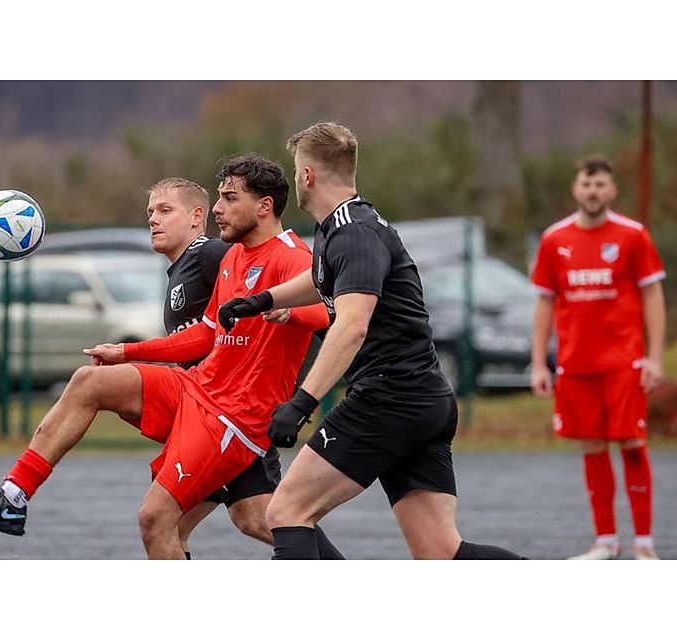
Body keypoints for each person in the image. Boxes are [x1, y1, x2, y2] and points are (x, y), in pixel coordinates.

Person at [0, 154, 335, 559]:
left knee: (180, 519)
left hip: (233, 418)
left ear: (263, 206)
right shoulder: (233, 256)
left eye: (228, 199)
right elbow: (206, 335)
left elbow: (333, 309)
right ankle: (12, 496)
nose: (219, 208)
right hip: (198, 392)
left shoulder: (280, 256)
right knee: (89, 382)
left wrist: (288, 309)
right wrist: (126, 351)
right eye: (218, 198)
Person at [219, 121, 525, 560]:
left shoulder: (353, 232)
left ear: (307, 175)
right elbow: (322, 277)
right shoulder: (341, 226)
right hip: (421, 398)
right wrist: (261, 299)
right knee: (440, 552)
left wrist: (302, 403)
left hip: (390, 398)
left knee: (286, 510)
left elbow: (352, 324)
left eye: (295, 169)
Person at [144, 176, 343, 559]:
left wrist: (302, 318)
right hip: (207, 411)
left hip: (227, 417)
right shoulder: (186, 268)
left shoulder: (212, 254)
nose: (153, 219)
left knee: (165, 522)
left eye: (165, 211)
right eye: (150, 211)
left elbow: (301, 285)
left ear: (196, 217)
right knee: (254, 516)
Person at [530, 156, 666, 560]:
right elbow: (544, 303)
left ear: (612, 190)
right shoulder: (555, 239)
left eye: (601, 184)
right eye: (587, 184)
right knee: (591, 446)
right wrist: (539, 362)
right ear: (576, 189)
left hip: (624, 362)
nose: (593, 191)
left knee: (632, 442)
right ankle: (605, 541)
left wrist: (655, 357)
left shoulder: (633, 236)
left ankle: (645, 544)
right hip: (576, 363)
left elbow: (653, 296)